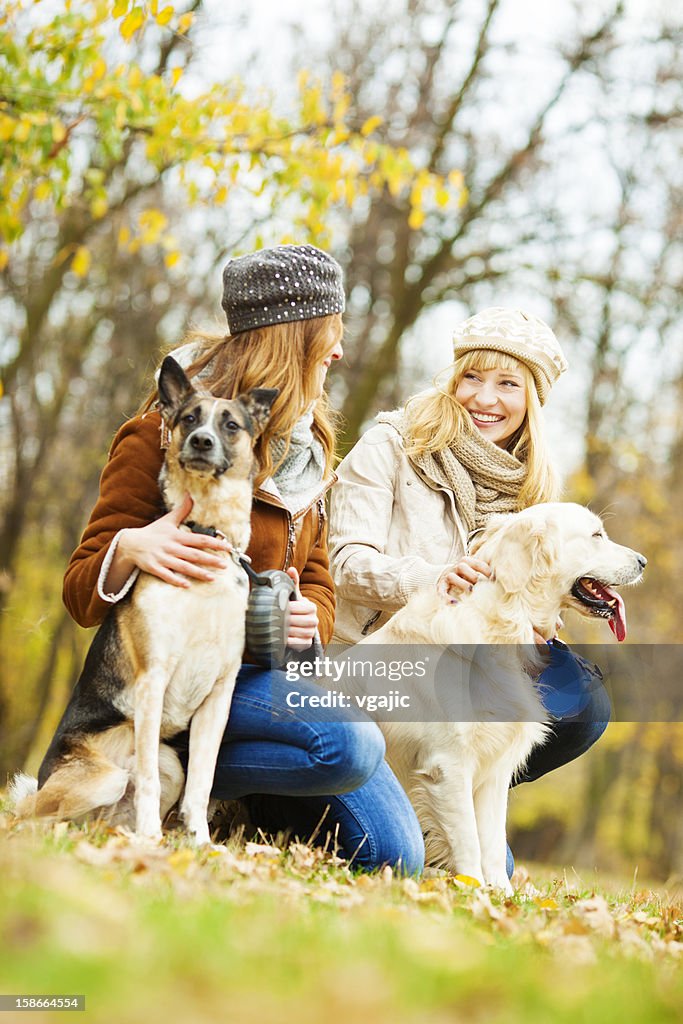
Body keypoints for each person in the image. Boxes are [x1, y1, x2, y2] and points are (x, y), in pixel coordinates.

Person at [62, 243, 424, 875]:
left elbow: (315, 572)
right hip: (164, 684)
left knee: (397, 855)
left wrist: (308, 613)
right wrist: (132, 548)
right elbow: (80, 588)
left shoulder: (308, 451)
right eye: (328, 337)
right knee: (349, 742)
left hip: (254, 673)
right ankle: (169, 788)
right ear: (291, 342)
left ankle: (227, 803)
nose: (338, 353)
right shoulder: (163, 435)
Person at [329, 307, 610, 873]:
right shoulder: (392, 444)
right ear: (453, 380)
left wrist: (543, 612)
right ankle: (403, 791)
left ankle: (456, 783)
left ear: (530, 400)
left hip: (469, 668)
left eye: (508, 384)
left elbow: (526, 589)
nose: (486, 398)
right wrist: (427, 578)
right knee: (396, 854)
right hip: (375, 657)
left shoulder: (531, 484)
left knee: (582, 698)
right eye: (472, 378)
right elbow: (344, 563)